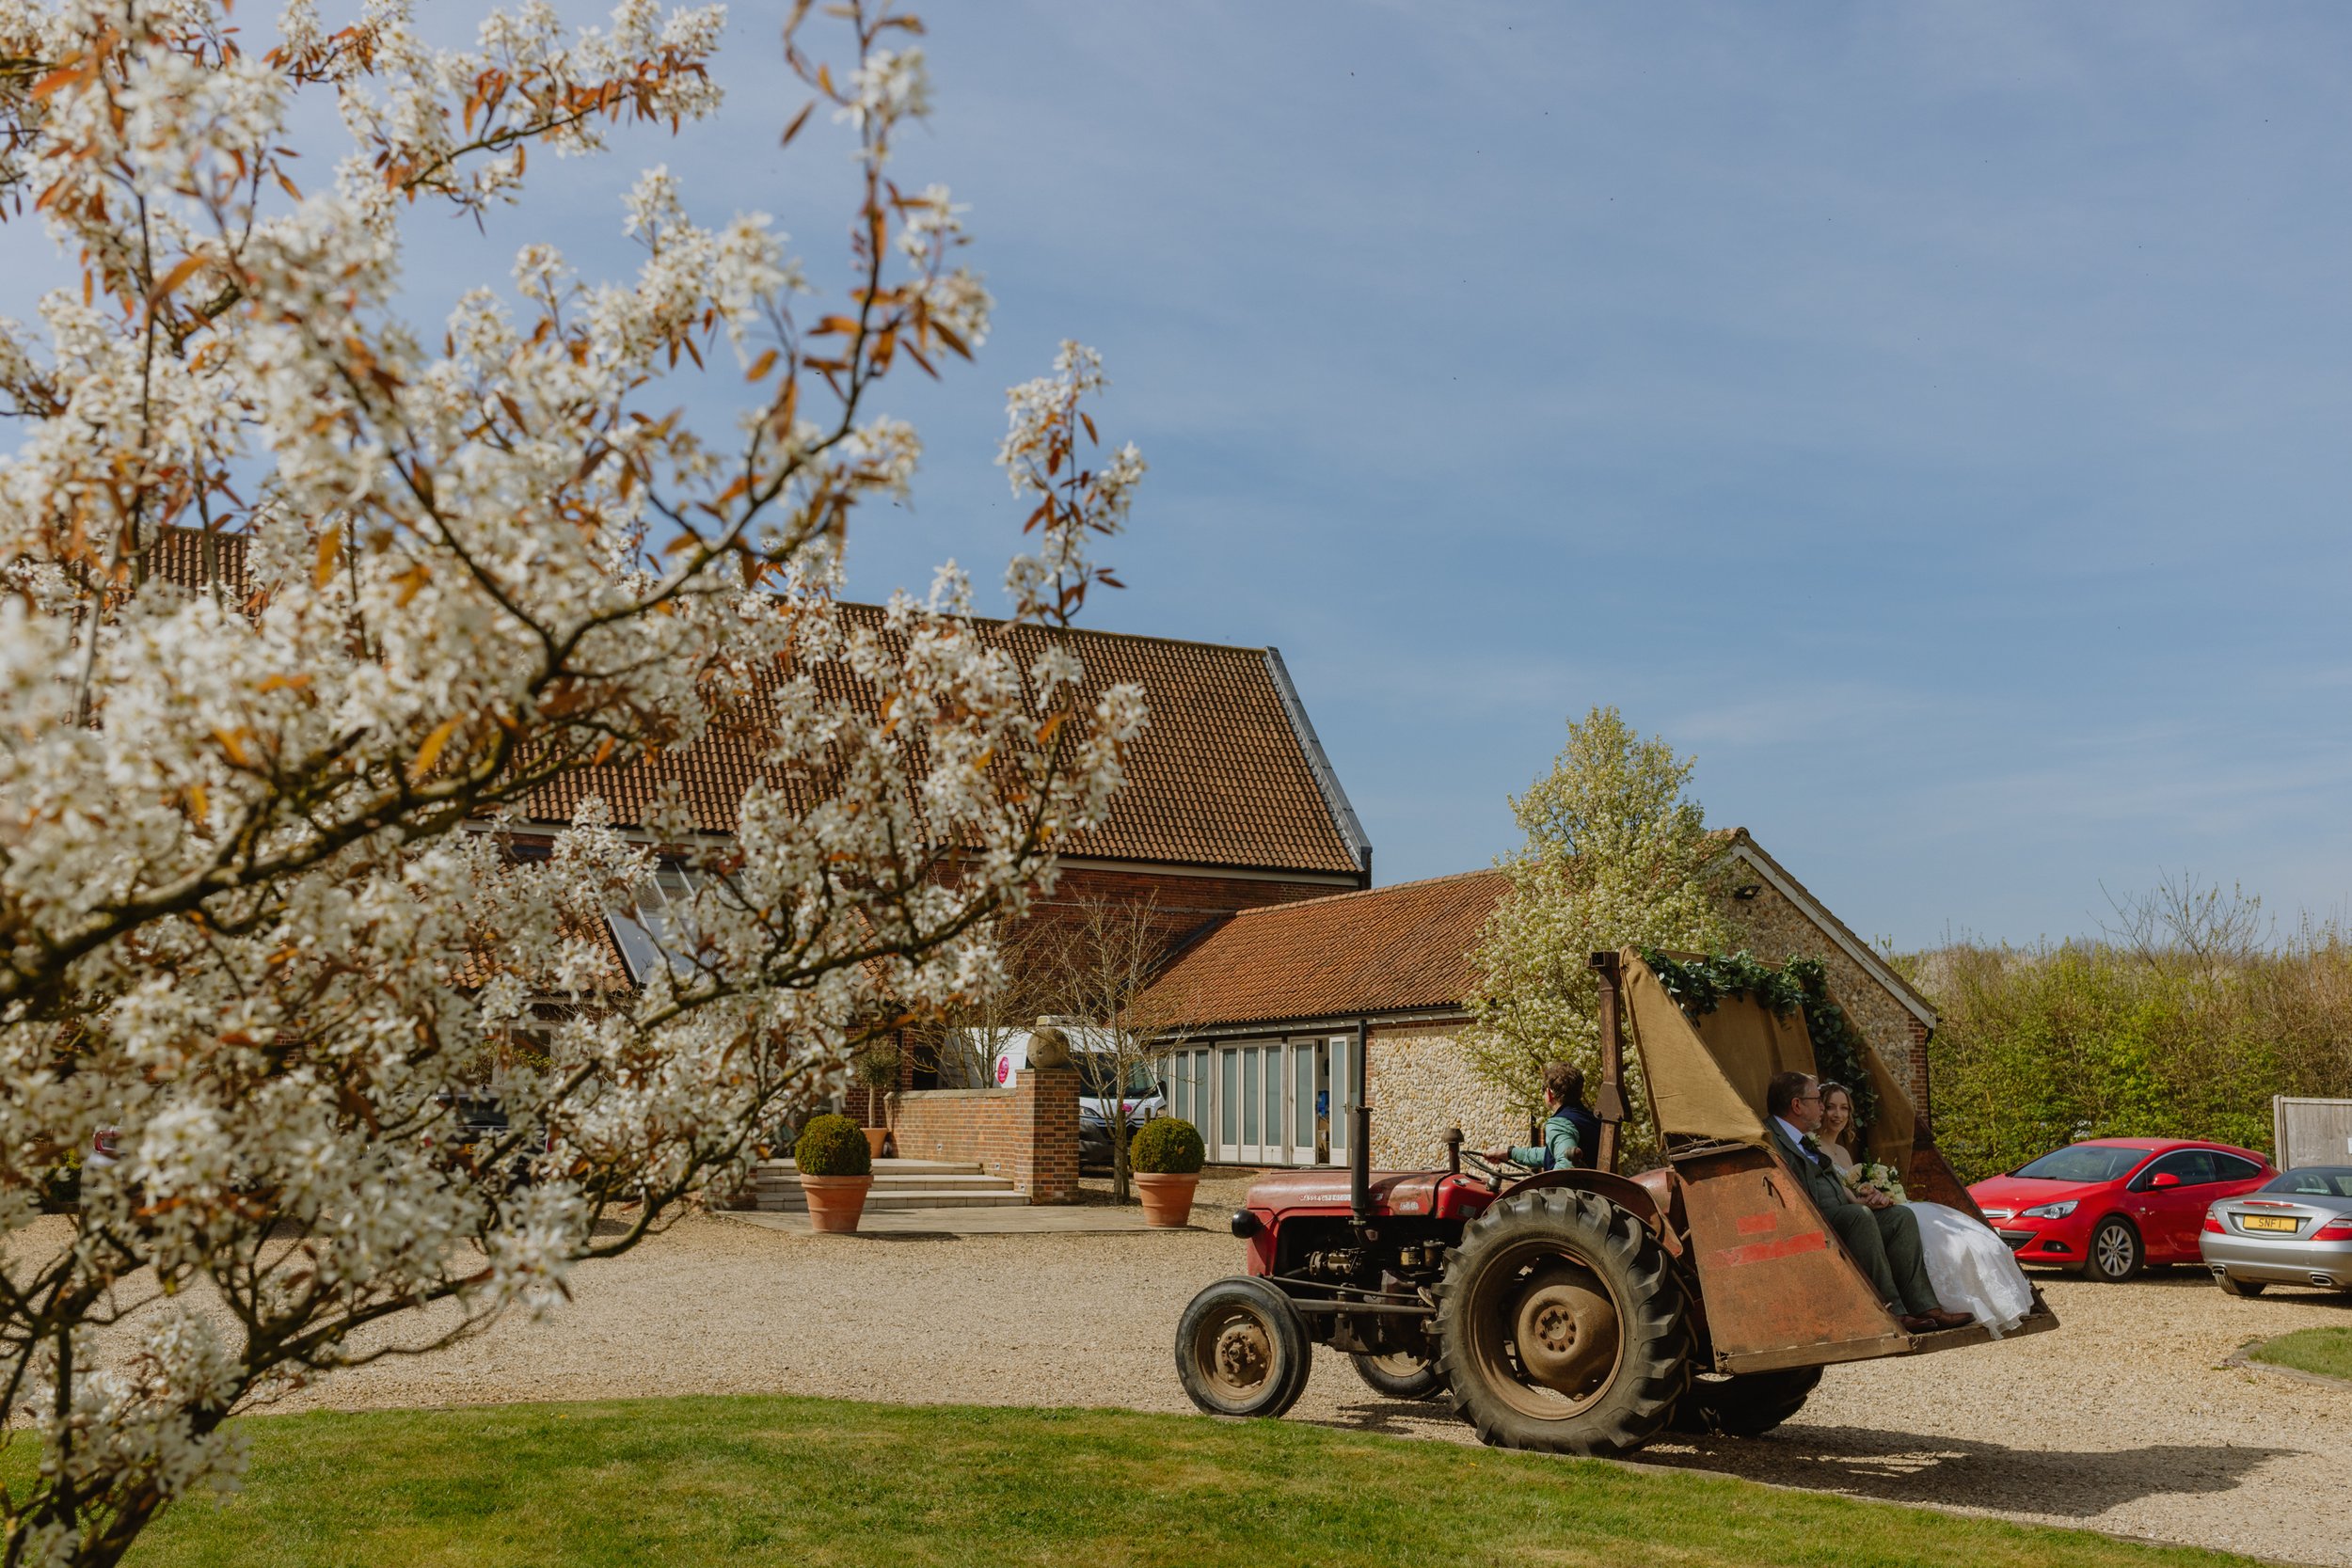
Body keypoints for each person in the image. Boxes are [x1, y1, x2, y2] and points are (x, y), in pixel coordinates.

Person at [1811, 1080, 2034, 1337]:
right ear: (1819, 1109)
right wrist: (1863, 1200)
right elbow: (1839, 1189)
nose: (1837, 1115)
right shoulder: (1814, 1146)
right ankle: (1921, 1305)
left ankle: (1932, 1304)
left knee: (1924, 1217)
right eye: (1830, 1107)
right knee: (1917, 1219)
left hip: (1865, 1207)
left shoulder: (1843, 1151)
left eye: (1844, 1108)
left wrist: (1876, 1192)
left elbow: (1854, 1185)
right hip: (1849, 1214)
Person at [1764, 1070, 1974, 1335]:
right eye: (1818, 1100)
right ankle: (1893, 1311)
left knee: (1900, 1217)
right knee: (1859, 1216)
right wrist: (1856, 1207)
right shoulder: (1772, 1138)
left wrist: (1861, 1197)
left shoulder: (1804, 1139)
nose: (1821, 1106)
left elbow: (1831, 1180)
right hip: (1813, 1221)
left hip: (1843, 1212)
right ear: (1796, 1105)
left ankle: (1925, 1306)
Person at [1485, 1060, 1600, 1171]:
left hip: (1575, 1191)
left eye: (1543, 1089)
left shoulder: (1560, 1124)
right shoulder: (1590, 1118)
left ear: (1550, 1093)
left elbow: (1567, 1167)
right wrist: (1510, 1153)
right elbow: (1554, 1153)